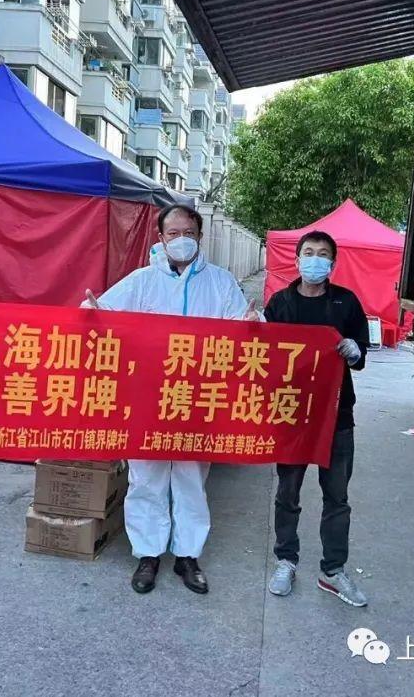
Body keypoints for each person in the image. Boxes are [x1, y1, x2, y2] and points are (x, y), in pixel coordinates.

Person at [84, 204, 259, 595]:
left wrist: (252, 324)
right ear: (160, 238)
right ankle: (148, 554)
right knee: (146, 477)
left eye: (189, 233)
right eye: (173, 233)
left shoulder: (220, 282)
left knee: (191, 478)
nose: (181, 240)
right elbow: (100, 312)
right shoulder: (142, 281)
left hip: (197, 397)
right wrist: (92, 312)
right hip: (147, 396)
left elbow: (245, 328)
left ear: (200, 236)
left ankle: (187, 555)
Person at [262, 230, 369, 607]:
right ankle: (286, 560)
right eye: (309, 253)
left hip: (336, 415)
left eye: (323, 254)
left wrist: (355, 350)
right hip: (292, 412)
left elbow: (362, 351)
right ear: (296, 259)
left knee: (337, 496)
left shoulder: (346, 302)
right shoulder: (280, 303)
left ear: (333, 263)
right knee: (287, 492)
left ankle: (333, 570)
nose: (315, 260)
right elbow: (262, 354)